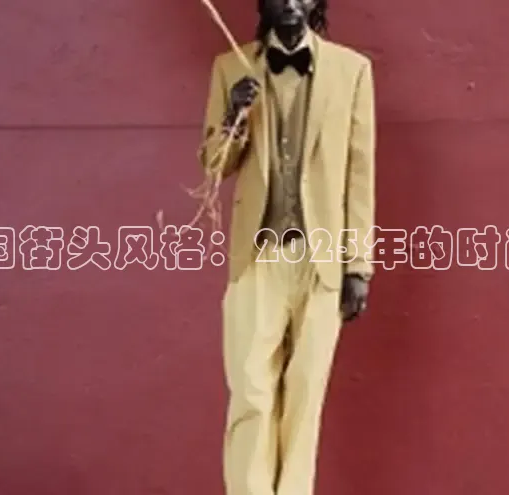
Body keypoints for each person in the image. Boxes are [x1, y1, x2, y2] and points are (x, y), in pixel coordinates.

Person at [197, 0, 376, 493]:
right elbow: (214, 165)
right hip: (258, 258)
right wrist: (234, 114)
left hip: (322, 262)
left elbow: (360, 175)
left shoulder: (352, 71)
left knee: (304, 397)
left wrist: (358, 266)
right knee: (251, 393)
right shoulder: (230, 67)